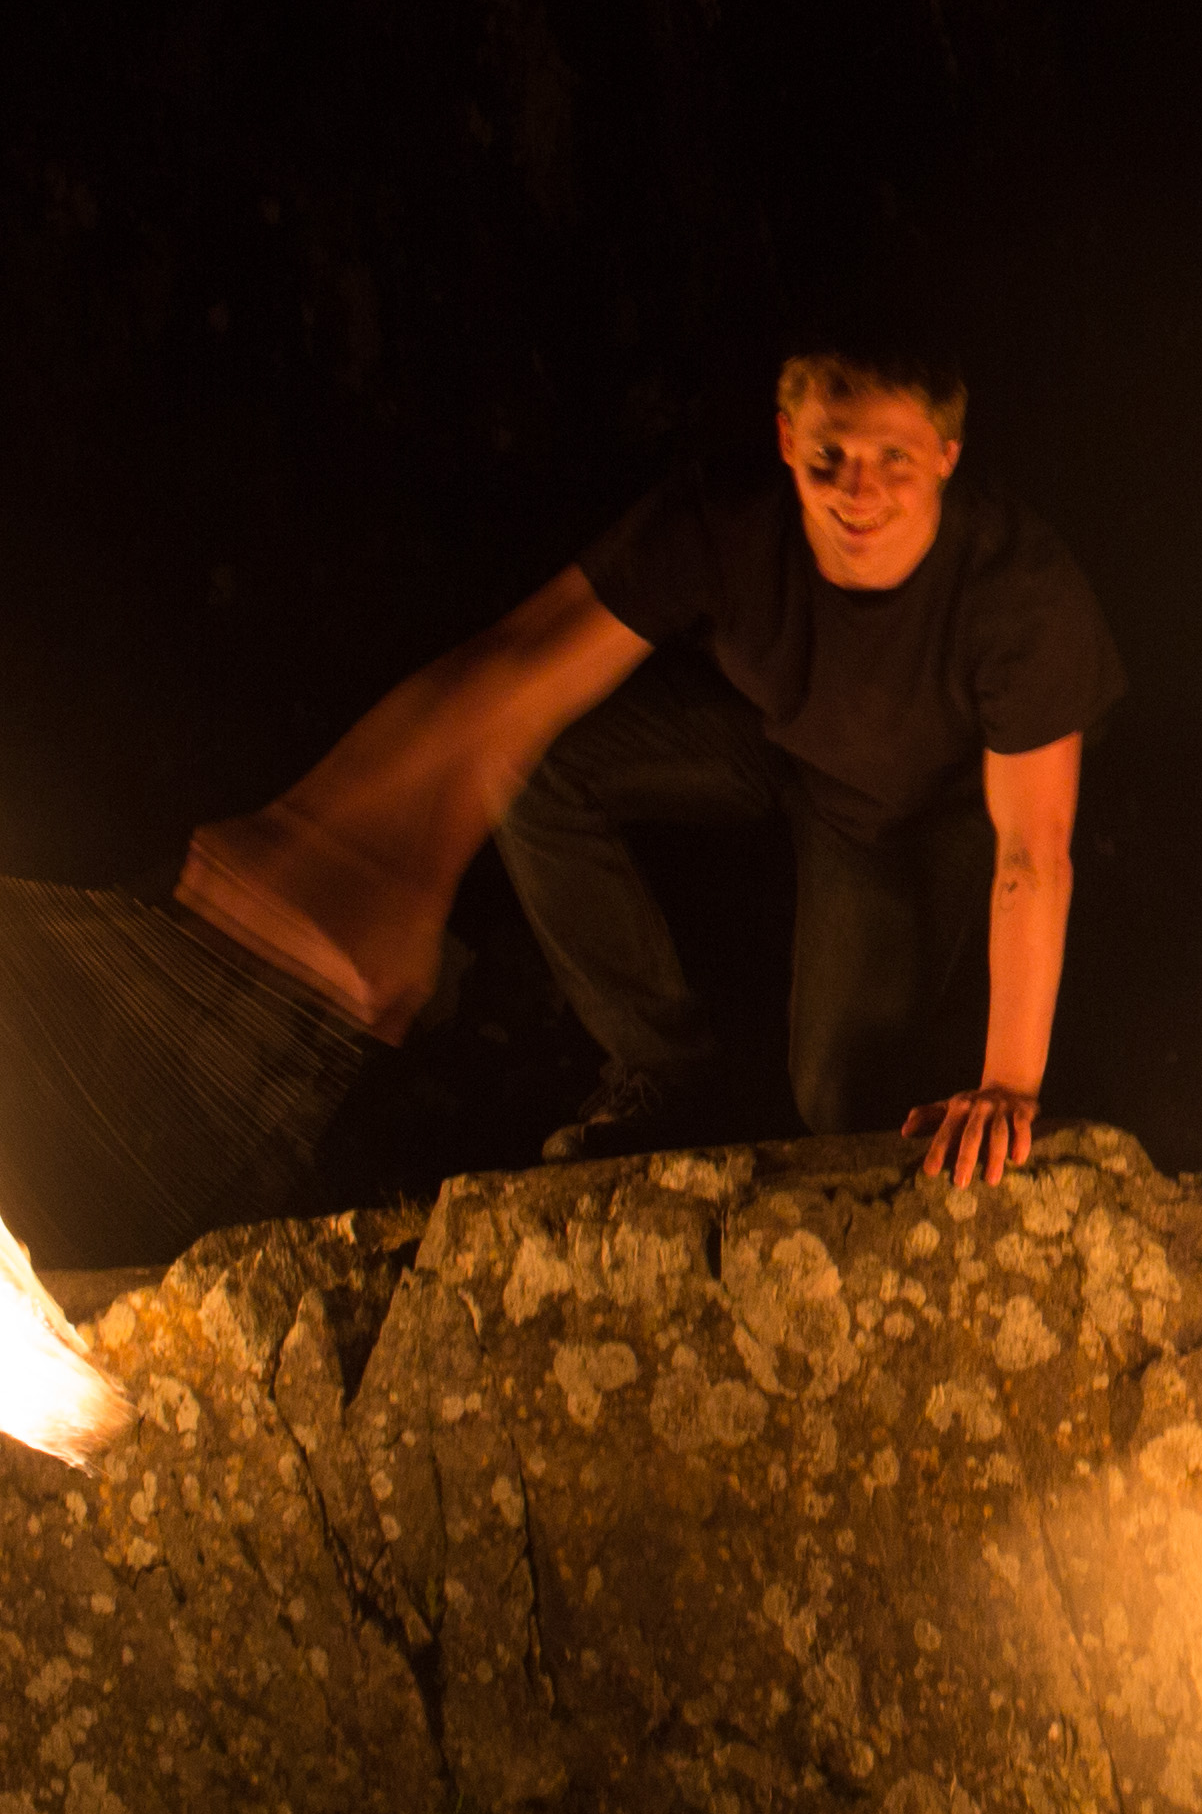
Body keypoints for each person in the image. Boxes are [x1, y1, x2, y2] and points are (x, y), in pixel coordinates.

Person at [175, 325, 1123, 1185]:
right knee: (539, 760)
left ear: (948, 457)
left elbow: (1034, 855)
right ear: (786, 439)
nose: (856, 491)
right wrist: (347, 843)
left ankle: (902, 1078)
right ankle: (663, 1069)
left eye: (895, 461)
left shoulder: (1020, 597)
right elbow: (519, 662)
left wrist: (1009, 1084)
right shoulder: (726, 519)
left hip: (915, 810)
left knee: (840, 1105)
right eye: (829, 455)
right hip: (777, 739)